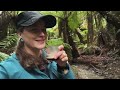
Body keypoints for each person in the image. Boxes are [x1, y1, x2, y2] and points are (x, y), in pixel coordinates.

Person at [0, 11, 75, 79]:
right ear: (20, 34)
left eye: (43, 30)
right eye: (34, 30)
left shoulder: (52, 58)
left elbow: (66, 74)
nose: (42, 34)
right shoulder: (7, 69)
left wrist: (63, 66)